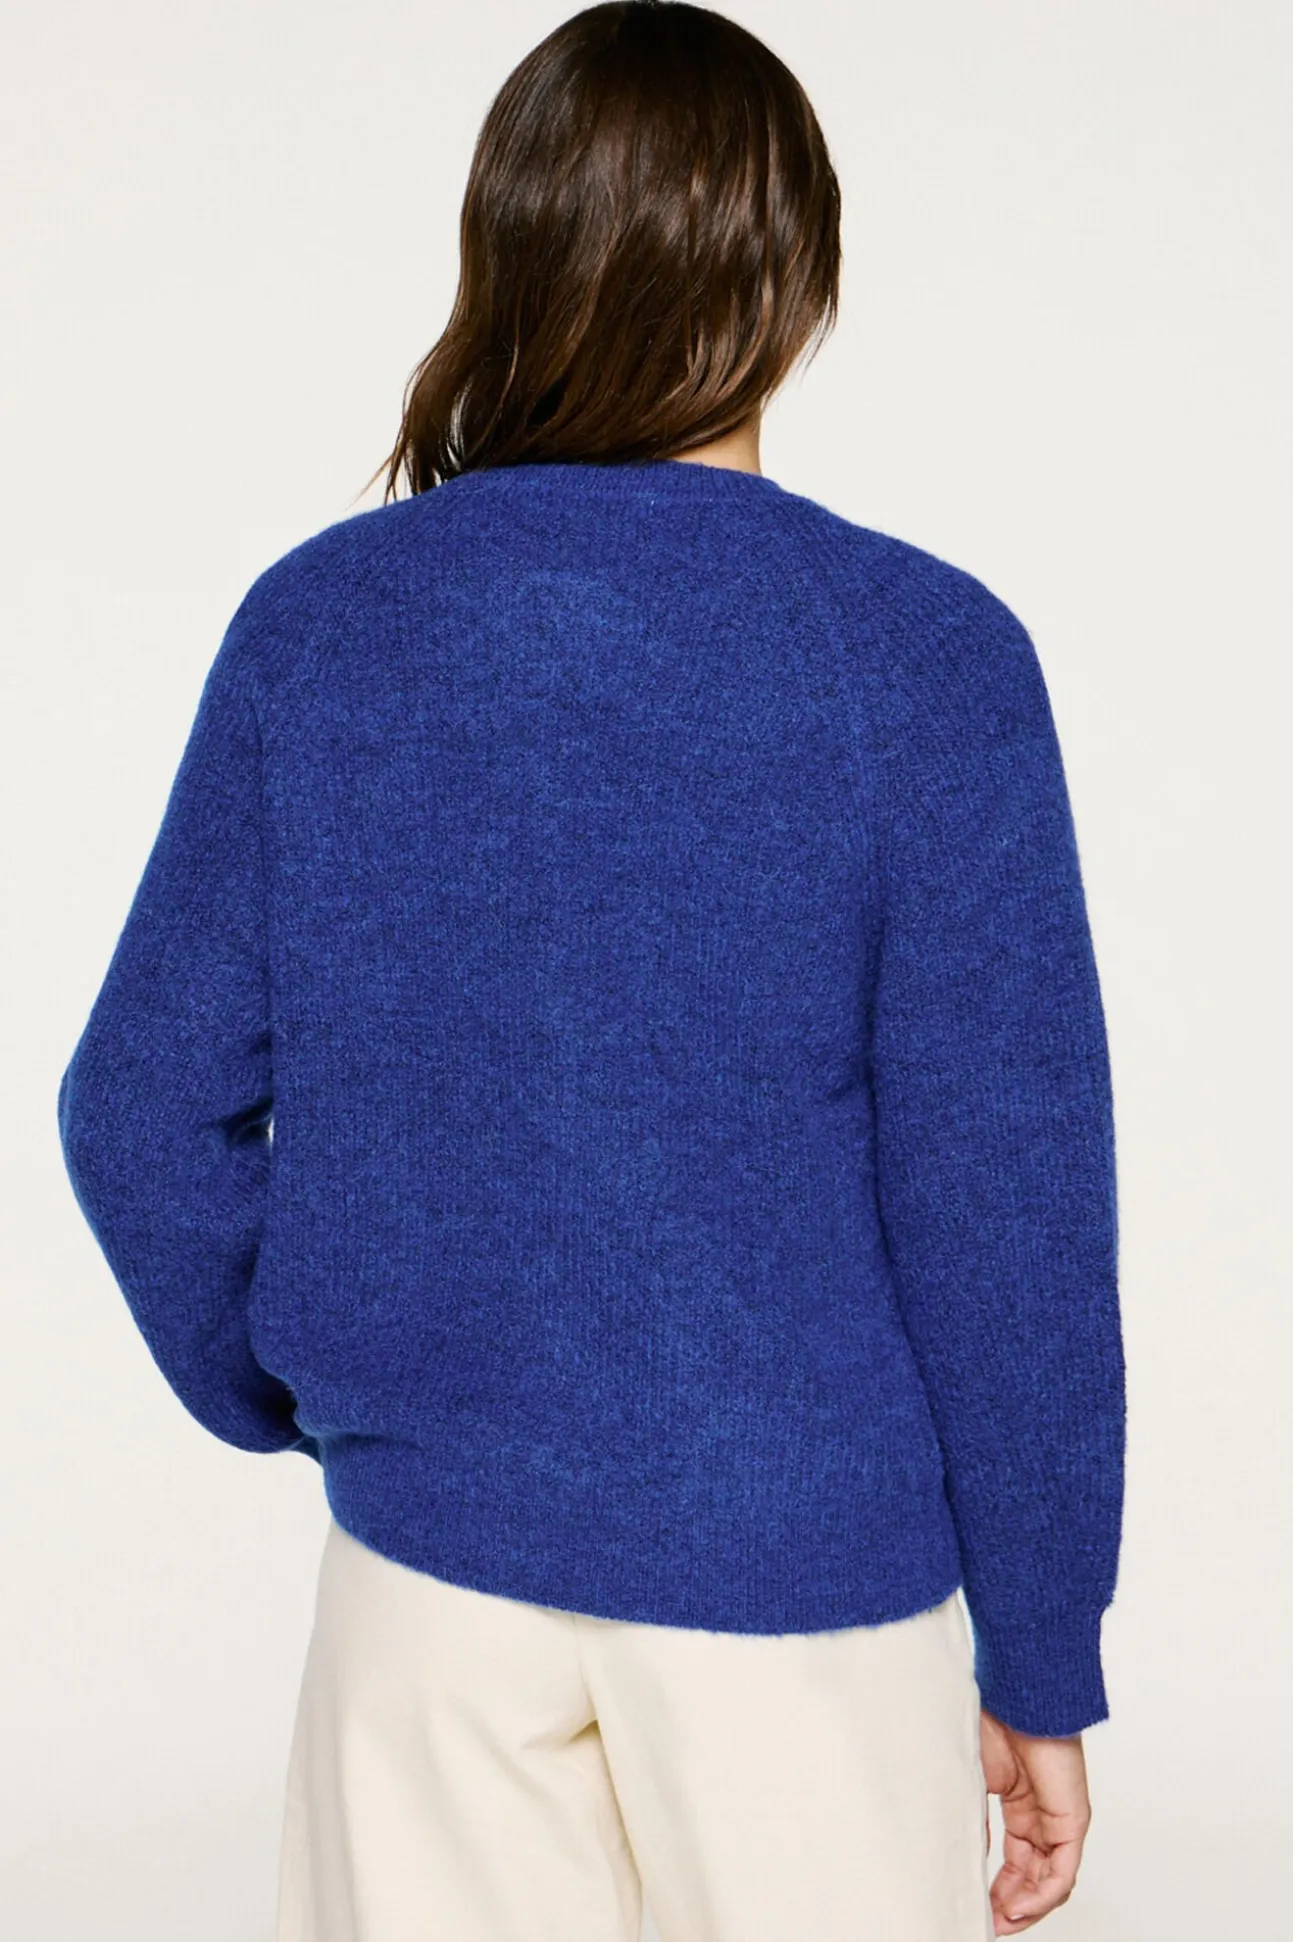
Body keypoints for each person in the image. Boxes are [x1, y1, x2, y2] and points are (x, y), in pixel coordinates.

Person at [55, 4, 1126, 1939]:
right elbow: (1006, 1208)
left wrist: (338, 1385)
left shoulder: (325, 625)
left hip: (428, 1599)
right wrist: (1042, 1651)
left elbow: (138, 1106)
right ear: (794, 285)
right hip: (805, 1610)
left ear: (513, 258)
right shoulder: (925, 655)